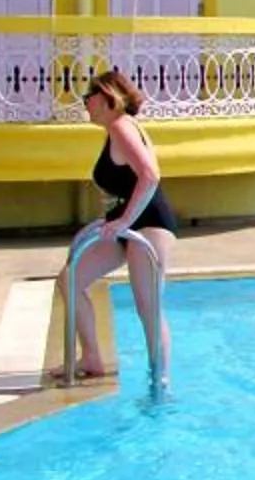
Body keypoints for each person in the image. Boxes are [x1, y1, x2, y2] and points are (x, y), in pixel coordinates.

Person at [68, 69, 176, 389]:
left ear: (107, 97)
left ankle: (160, 383)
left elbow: (150, 175)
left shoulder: (121, 126)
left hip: (150, 225)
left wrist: (125, 220)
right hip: (123, 226)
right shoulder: (115, 130)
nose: (85, 103)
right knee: (70, 280)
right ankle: (92, 359)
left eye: (89, 97)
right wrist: (115, 219)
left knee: (148, 307)